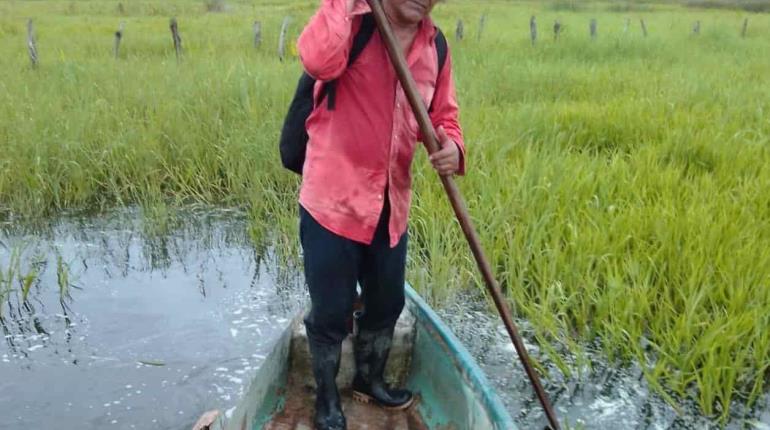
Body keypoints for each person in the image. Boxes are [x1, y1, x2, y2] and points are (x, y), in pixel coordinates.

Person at [296, 0, 464, 428]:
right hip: (333, 200)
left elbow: (445, 115)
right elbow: (317, 59)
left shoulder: (436, 46)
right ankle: (328, 398)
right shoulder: (354, 27)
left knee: (386, 303)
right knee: (330, 311)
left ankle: (370, 381)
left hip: (391, 204)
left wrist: (452, 149)